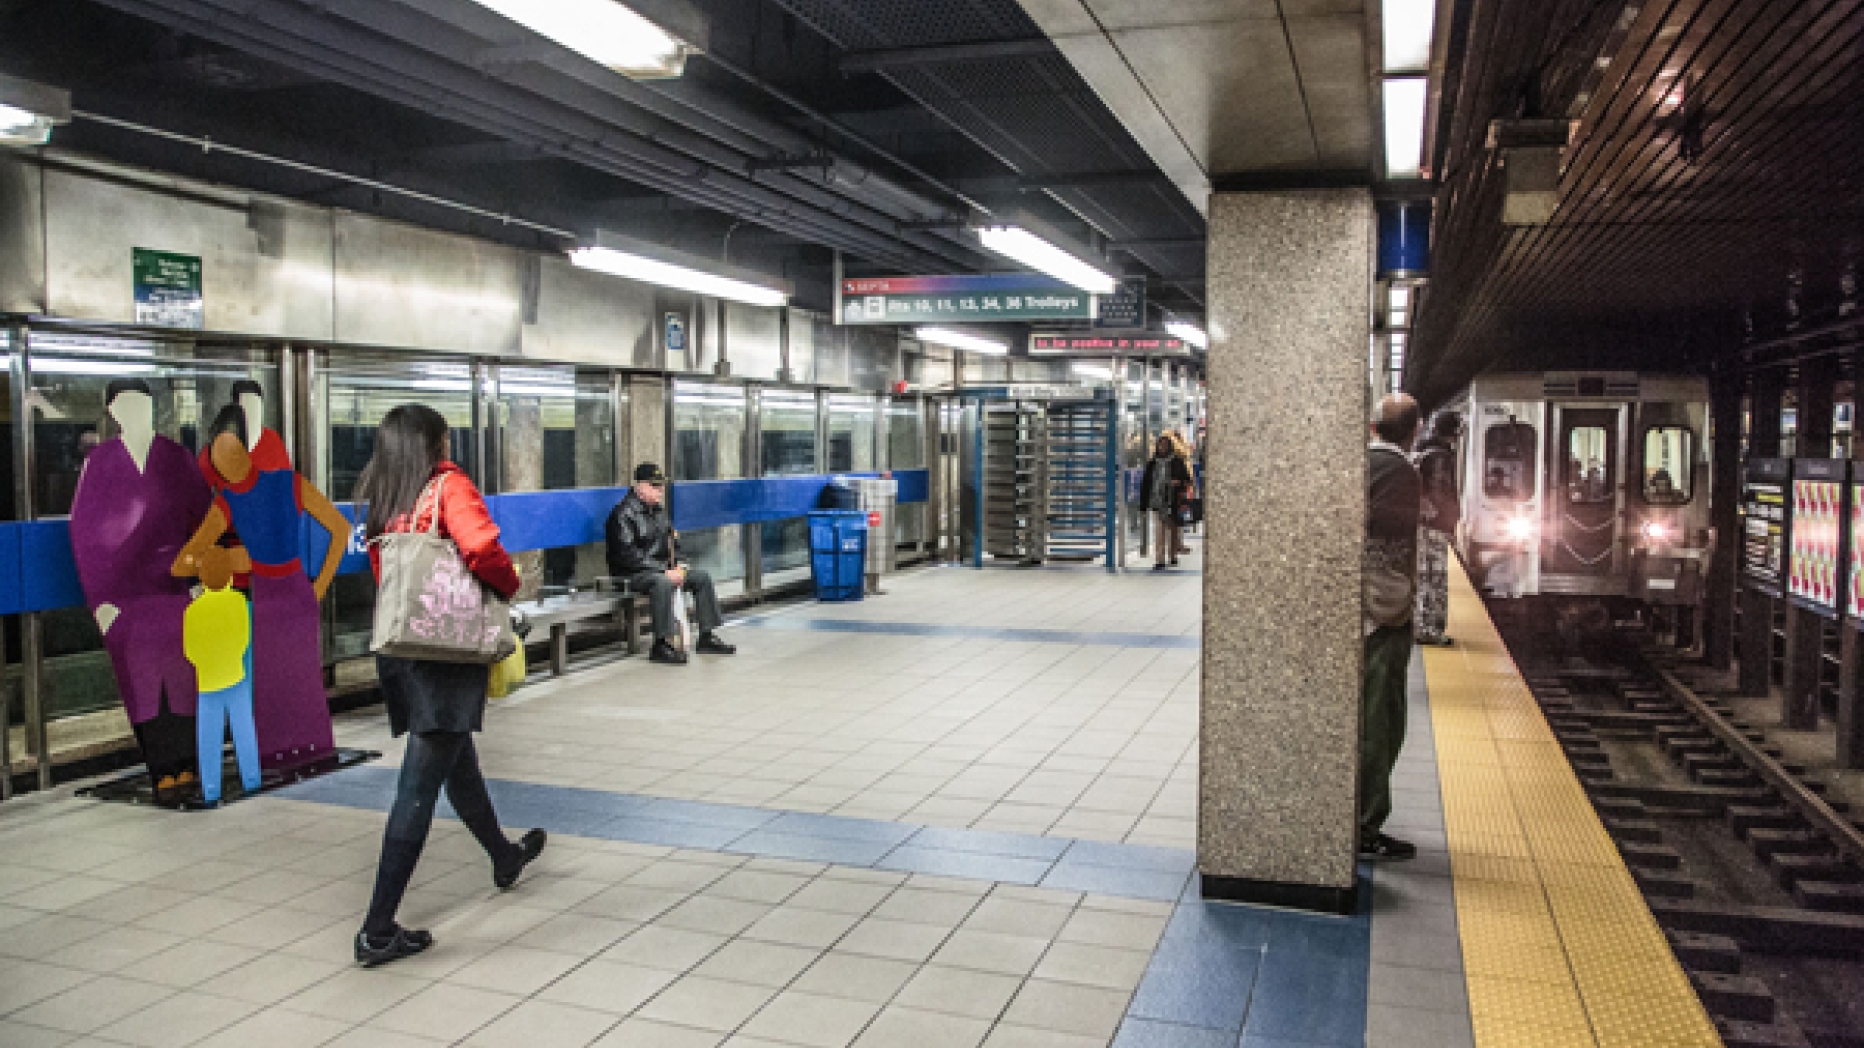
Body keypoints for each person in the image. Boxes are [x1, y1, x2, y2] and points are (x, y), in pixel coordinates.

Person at [351, 404, 546, 968]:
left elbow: (384, 571)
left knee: (455, 758)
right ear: (435, 442)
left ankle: (504, 857)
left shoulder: (385, 492)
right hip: (444, 651)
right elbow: (482, 549)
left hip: (402, 649)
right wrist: (506, 590)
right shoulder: (446, 486)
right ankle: (378, 928)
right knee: (418, 786)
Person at [69, 379, 214, 805]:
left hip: (176, 592)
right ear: (113, 411)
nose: (137, 412)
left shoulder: (176, 457)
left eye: (144, 404)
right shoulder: (100, 462)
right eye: (127, 405)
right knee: (142, 686)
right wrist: (101, 602)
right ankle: (161, 767)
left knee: (184, 679)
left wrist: (203, 579)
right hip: (125, 600)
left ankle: (187, 762)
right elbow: (86, 536)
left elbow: (206, 519)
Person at [1362, 394, 1423, 860]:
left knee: (1373, 719)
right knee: (1382, 721)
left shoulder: (1361, 463)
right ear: (1415, 428)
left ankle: (1360, 818)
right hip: (1382, 613)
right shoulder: (1399, 471)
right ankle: (1365, 825)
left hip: (1363, 610)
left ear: (1373, 425)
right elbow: (1388, 543)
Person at [606, 463, 735, 664]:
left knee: (701, 578)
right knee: (662, 583)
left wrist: (680, 565)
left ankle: (706, 636)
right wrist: (663, 571)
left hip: (660, 570)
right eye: (654, 487)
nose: (660, 491)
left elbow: (673, 543)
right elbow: (626, 555)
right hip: (631, 573)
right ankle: (661, 644)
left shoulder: (658, 512)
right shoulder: (622, 514)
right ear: (640, 486)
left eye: (661, 487)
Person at [184, 545, 261, 806]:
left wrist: (207, 664)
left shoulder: (192, 611)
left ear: (202, 578)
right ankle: (252, 780)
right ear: (229, 575)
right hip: (236, 677)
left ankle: (211, 790)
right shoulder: (239, 602)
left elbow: (189, 651)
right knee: (244, 731)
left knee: (208, 740)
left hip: (207, 683)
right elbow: (244, 639)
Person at [1413, 413, 1462, 646]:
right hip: (1434, 526)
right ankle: (1429, 628)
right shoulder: (1439, 456)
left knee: (1424, 576)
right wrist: (1449, 520)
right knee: (1434, 577)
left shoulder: (1423, 450)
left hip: (1424, 525)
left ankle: (1422, 625)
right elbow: (1439, 492)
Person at [1139, 436, 1193, 570]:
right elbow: (1145, 485)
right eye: (1160, 445)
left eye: (1164, 445)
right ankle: (1159, 559)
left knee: (1173, 530)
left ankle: (1173, 555)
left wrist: (1178, 483)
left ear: (1169, 447)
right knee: (1159, 531)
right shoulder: (1152, 464)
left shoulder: (1177, 462)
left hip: (1173, 501)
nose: (1162, 448)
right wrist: (1143, 505)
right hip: (1157, 502)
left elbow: (1187, 480)